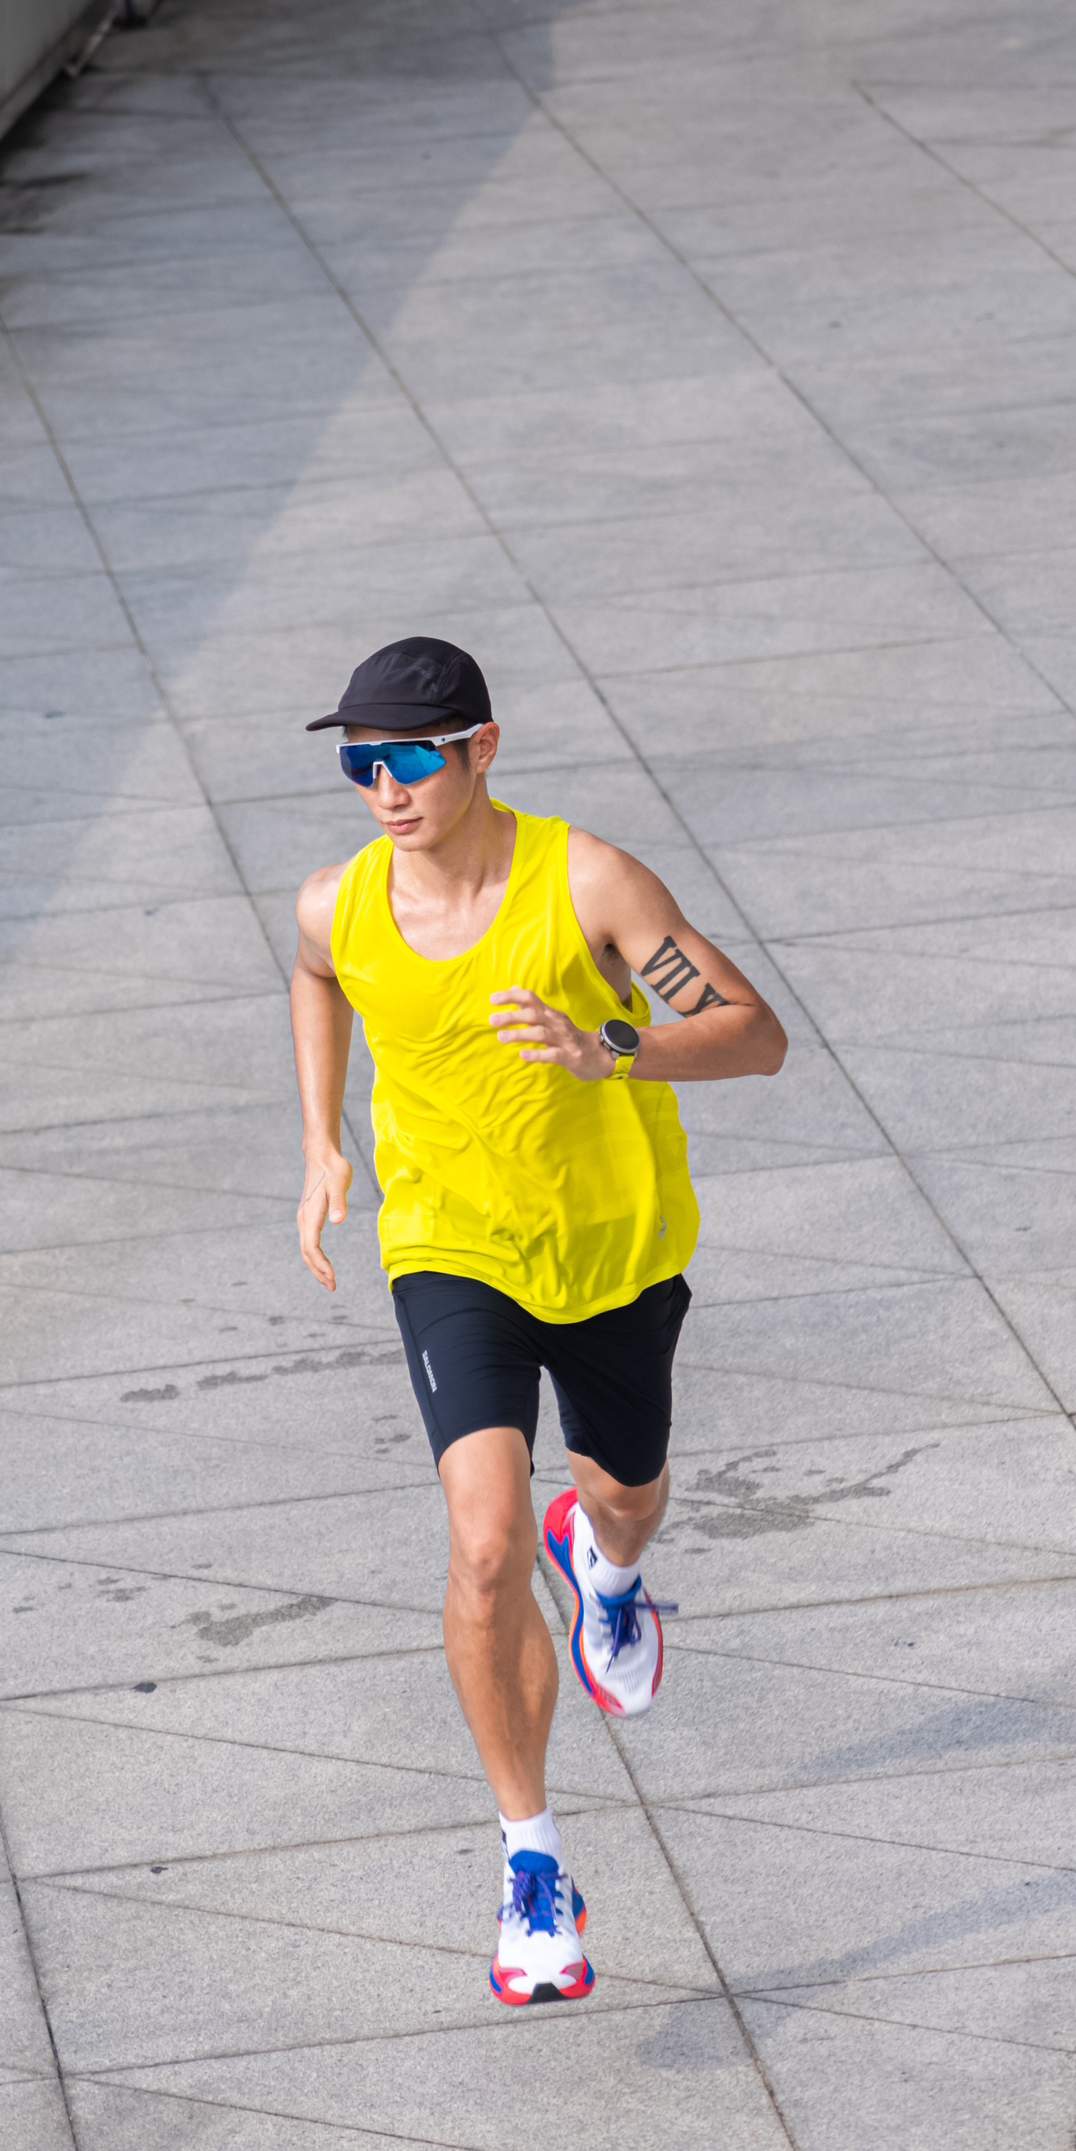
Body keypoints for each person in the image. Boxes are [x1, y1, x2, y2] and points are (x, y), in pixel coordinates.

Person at [291, 636, 787, 2006]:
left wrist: (611, 1044)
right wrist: (323, 1139)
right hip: (452, 1249)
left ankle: (608, 1567)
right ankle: (532, 1865)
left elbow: (755, 1036)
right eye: (360, 764)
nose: (385, 789)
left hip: (616, 1250)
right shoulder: (339, 904)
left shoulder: (589, 883)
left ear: (482, 748)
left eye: (408, 758)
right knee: (483, 1544)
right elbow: (319, 976)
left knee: (625, 1496)